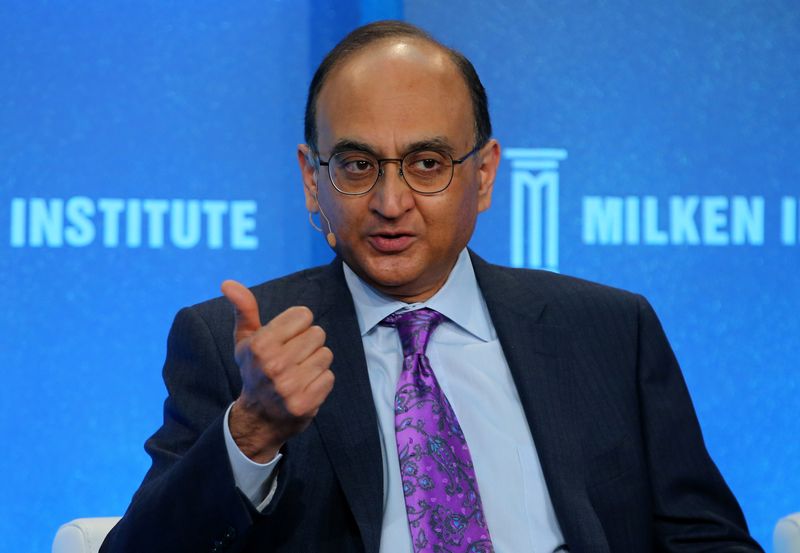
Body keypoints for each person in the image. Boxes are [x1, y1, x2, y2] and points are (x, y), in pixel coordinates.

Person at [101, 20, 763, 553]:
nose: (391, 201)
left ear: (483, 174)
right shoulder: (236, 346)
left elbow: (707, 538)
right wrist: (251, 431)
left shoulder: (610, 331)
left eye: (427, 163)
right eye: (358, 165)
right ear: (313, 179)